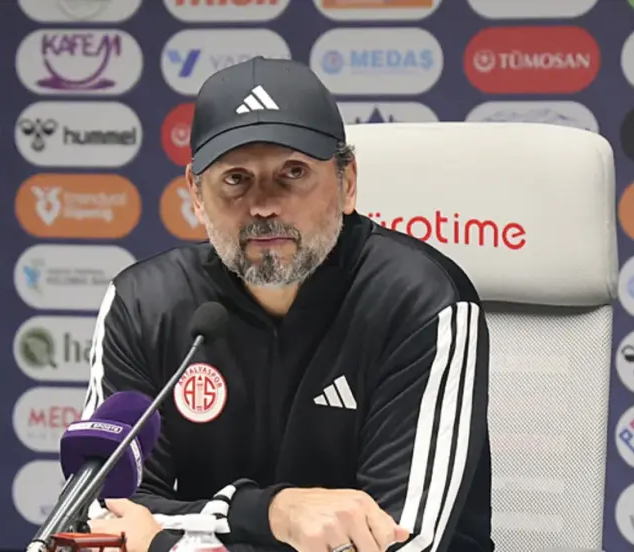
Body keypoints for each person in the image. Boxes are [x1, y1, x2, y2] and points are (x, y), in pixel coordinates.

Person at [83, 56, 493, 552]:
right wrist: (271, 513)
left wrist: (166, 544)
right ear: (196, 193)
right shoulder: (145, 304)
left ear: (347, 182)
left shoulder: (420, 299)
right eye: (236, 179)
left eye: (293, 173)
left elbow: (404, 544)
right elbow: (104, 513)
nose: (263, 205)